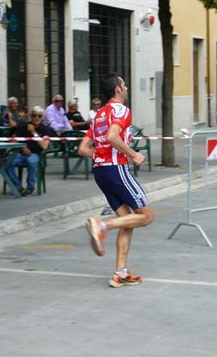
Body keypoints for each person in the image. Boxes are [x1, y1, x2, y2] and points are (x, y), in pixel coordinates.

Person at [79, 74, 154, 288]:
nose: (127, 87)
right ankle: (101, 225)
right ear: (117, 89)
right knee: (146, 216)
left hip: (101, 172)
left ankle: (120, 273)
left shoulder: (99, 115)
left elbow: (83, 149)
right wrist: (134, 154)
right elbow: (113, 136)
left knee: (127, 219)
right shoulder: (120, 110)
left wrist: (102, 154)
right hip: (117, 169)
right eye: (124, 84)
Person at [6, 106, 54, 196]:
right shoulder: (23, 126)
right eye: (34, 115)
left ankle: (30, 187)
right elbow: (15, 139)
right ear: (30, 116)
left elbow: (44, 146)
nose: (36, 118)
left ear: (43, 117)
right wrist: (23, 147)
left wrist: (33, 132)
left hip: (35, 153)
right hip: (21, 152)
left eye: (39, 116)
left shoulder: (45, 129)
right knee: (7, 162)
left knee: (31, 161)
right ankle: (17, 186)